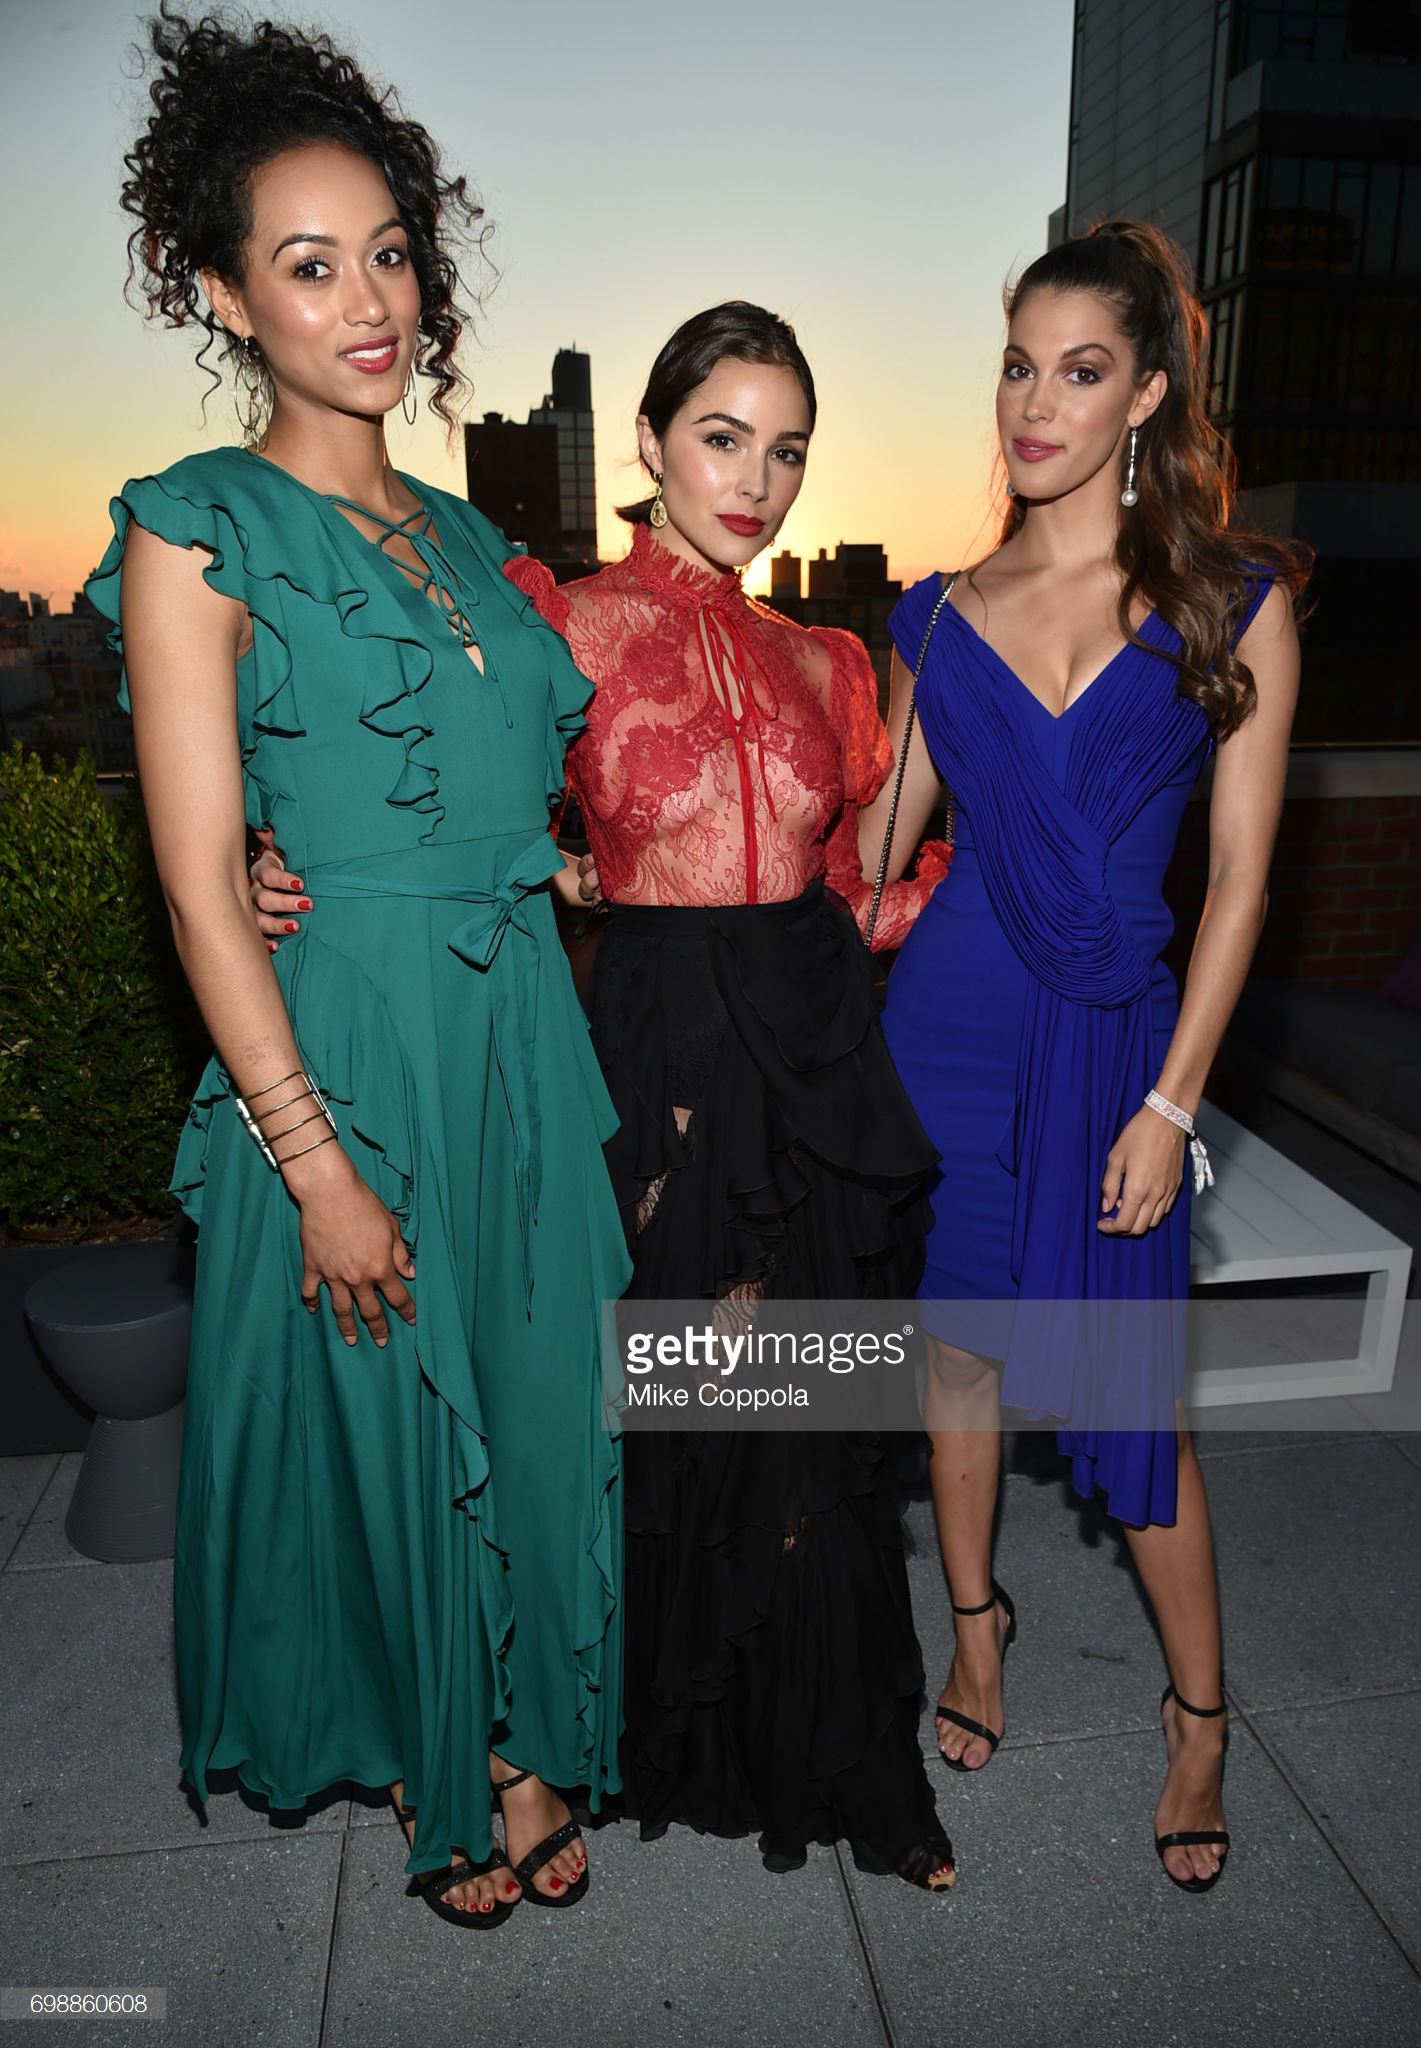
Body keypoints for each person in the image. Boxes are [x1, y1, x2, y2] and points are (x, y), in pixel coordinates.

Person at [256, 303, 959, 1889]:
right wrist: (269, 860)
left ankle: (846, 1759)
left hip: (809, 1045)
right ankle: (625, 1732)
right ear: (649, 443)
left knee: (813, 1409)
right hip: (650, 1045)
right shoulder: (553, 626)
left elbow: (845, 883)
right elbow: (435, 809)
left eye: (786, 450)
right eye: (722, 438)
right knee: (658, 1395)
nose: (755, 480)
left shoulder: (826, 658)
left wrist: (986, 909)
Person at [87, 9, 630, 1928]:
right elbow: (196, 890)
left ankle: (529, 1722)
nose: (368, 299)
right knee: (390, 1409)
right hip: (349, 1052)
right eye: (308, 264)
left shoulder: (477, 539)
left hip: (515, 1032)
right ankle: (434, 1745)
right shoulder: (195, 529)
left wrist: (548, 858)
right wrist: (309, 1158)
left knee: (533, 1390)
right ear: (224, 294)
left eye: (388, 252)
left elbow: (506, 793)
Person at [860, 220, 1308, 1893]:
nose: (1034, 403)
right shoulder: (935, 618)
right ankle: (976, 1628)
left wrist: (1172, 1103)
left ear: (1143, 397)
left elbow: (1241, 881)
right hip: (945, 1034)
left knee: (1132, 1405)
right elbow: (873, 854)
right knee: (955, 1365)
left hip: (1120, 1049)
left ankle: (1199, 1720)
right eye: (1016, 366)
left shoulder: (1229, 603)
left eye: (1078, 370)